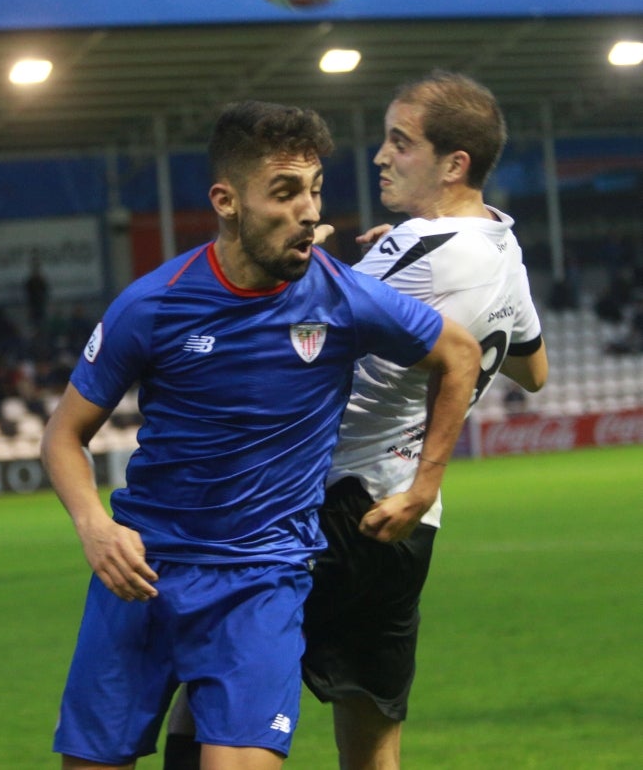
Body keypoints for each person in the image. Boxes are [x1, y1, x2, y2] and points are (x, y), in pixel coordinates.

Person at [41, 99, 481, 770]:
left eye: (313, 190)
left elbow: (459, 355)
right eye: (283, 192)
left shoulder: (341, 298)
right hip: (142, 574)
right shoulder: (153, 305)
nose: (307, 210)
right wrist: (94, 526)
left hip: (259, 582)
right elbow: (64, 435)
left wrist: (424, 487)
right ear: (226, 201)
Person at [163, 73, 548, 769]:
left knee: (212, 694)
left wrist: (363, 261)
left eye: (400, 143)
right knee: (371, 746)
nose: (379, 156)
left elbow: (298, 312)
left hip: (331, 507)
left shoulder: (420, 250)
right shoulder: (501, 248)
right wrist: (387, 263)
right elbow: (533, 369)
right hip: (405, 530)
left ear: (452, 163)